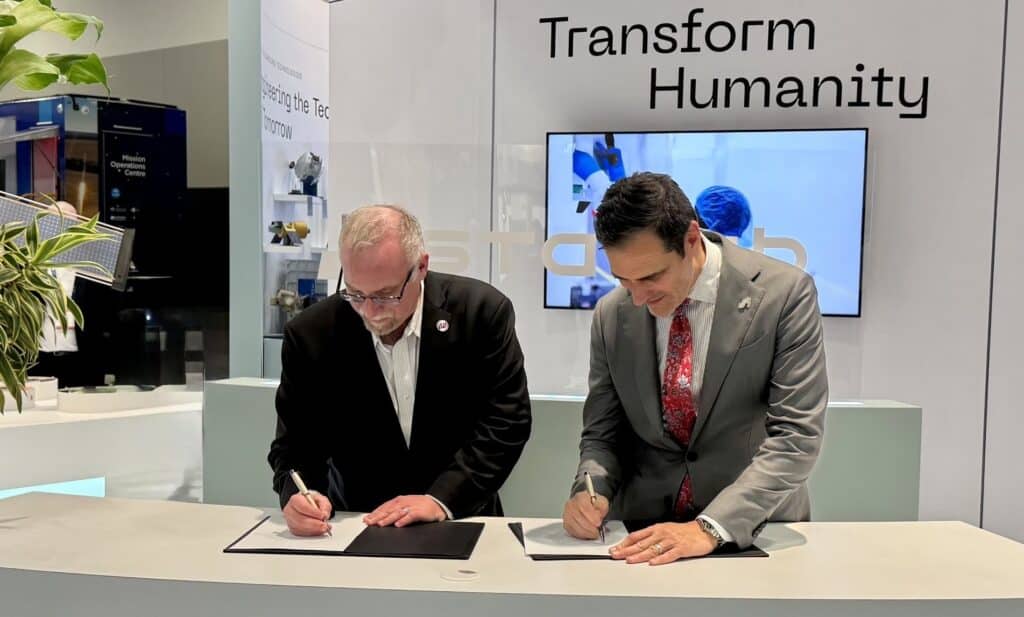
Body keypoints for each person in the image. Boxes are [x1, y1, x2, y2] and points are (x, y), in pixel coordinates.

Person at [562, 172, 827, 564]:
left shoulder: (783, 294)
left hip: (754, 531)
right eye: (624, 280)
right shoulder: (611, 313)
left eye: (651, 276)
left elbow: (796, 436)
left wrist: (709, 528)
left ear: (690, 238)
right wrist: (590, 489)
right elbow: (603, 431)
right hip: (642, 536)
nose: (638, 298)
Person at [269, 204, 532, 536]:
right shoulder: (312, 334)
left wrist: (440, 500)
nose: (370, 311)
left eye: (386, 295)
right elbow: (294, 446)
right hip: (356, 523)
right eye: (356, 294)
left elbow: (507, 422)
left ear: (421, 267)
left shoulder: (480, 313)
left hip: (463, 517)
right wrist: (299, 495)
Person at [29, 201, 83, 387]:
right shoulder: (29, 263)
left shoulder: (90, 266)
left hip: (80, 359)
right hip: (38, 357)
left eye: (68, 220)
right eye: (54, 219)